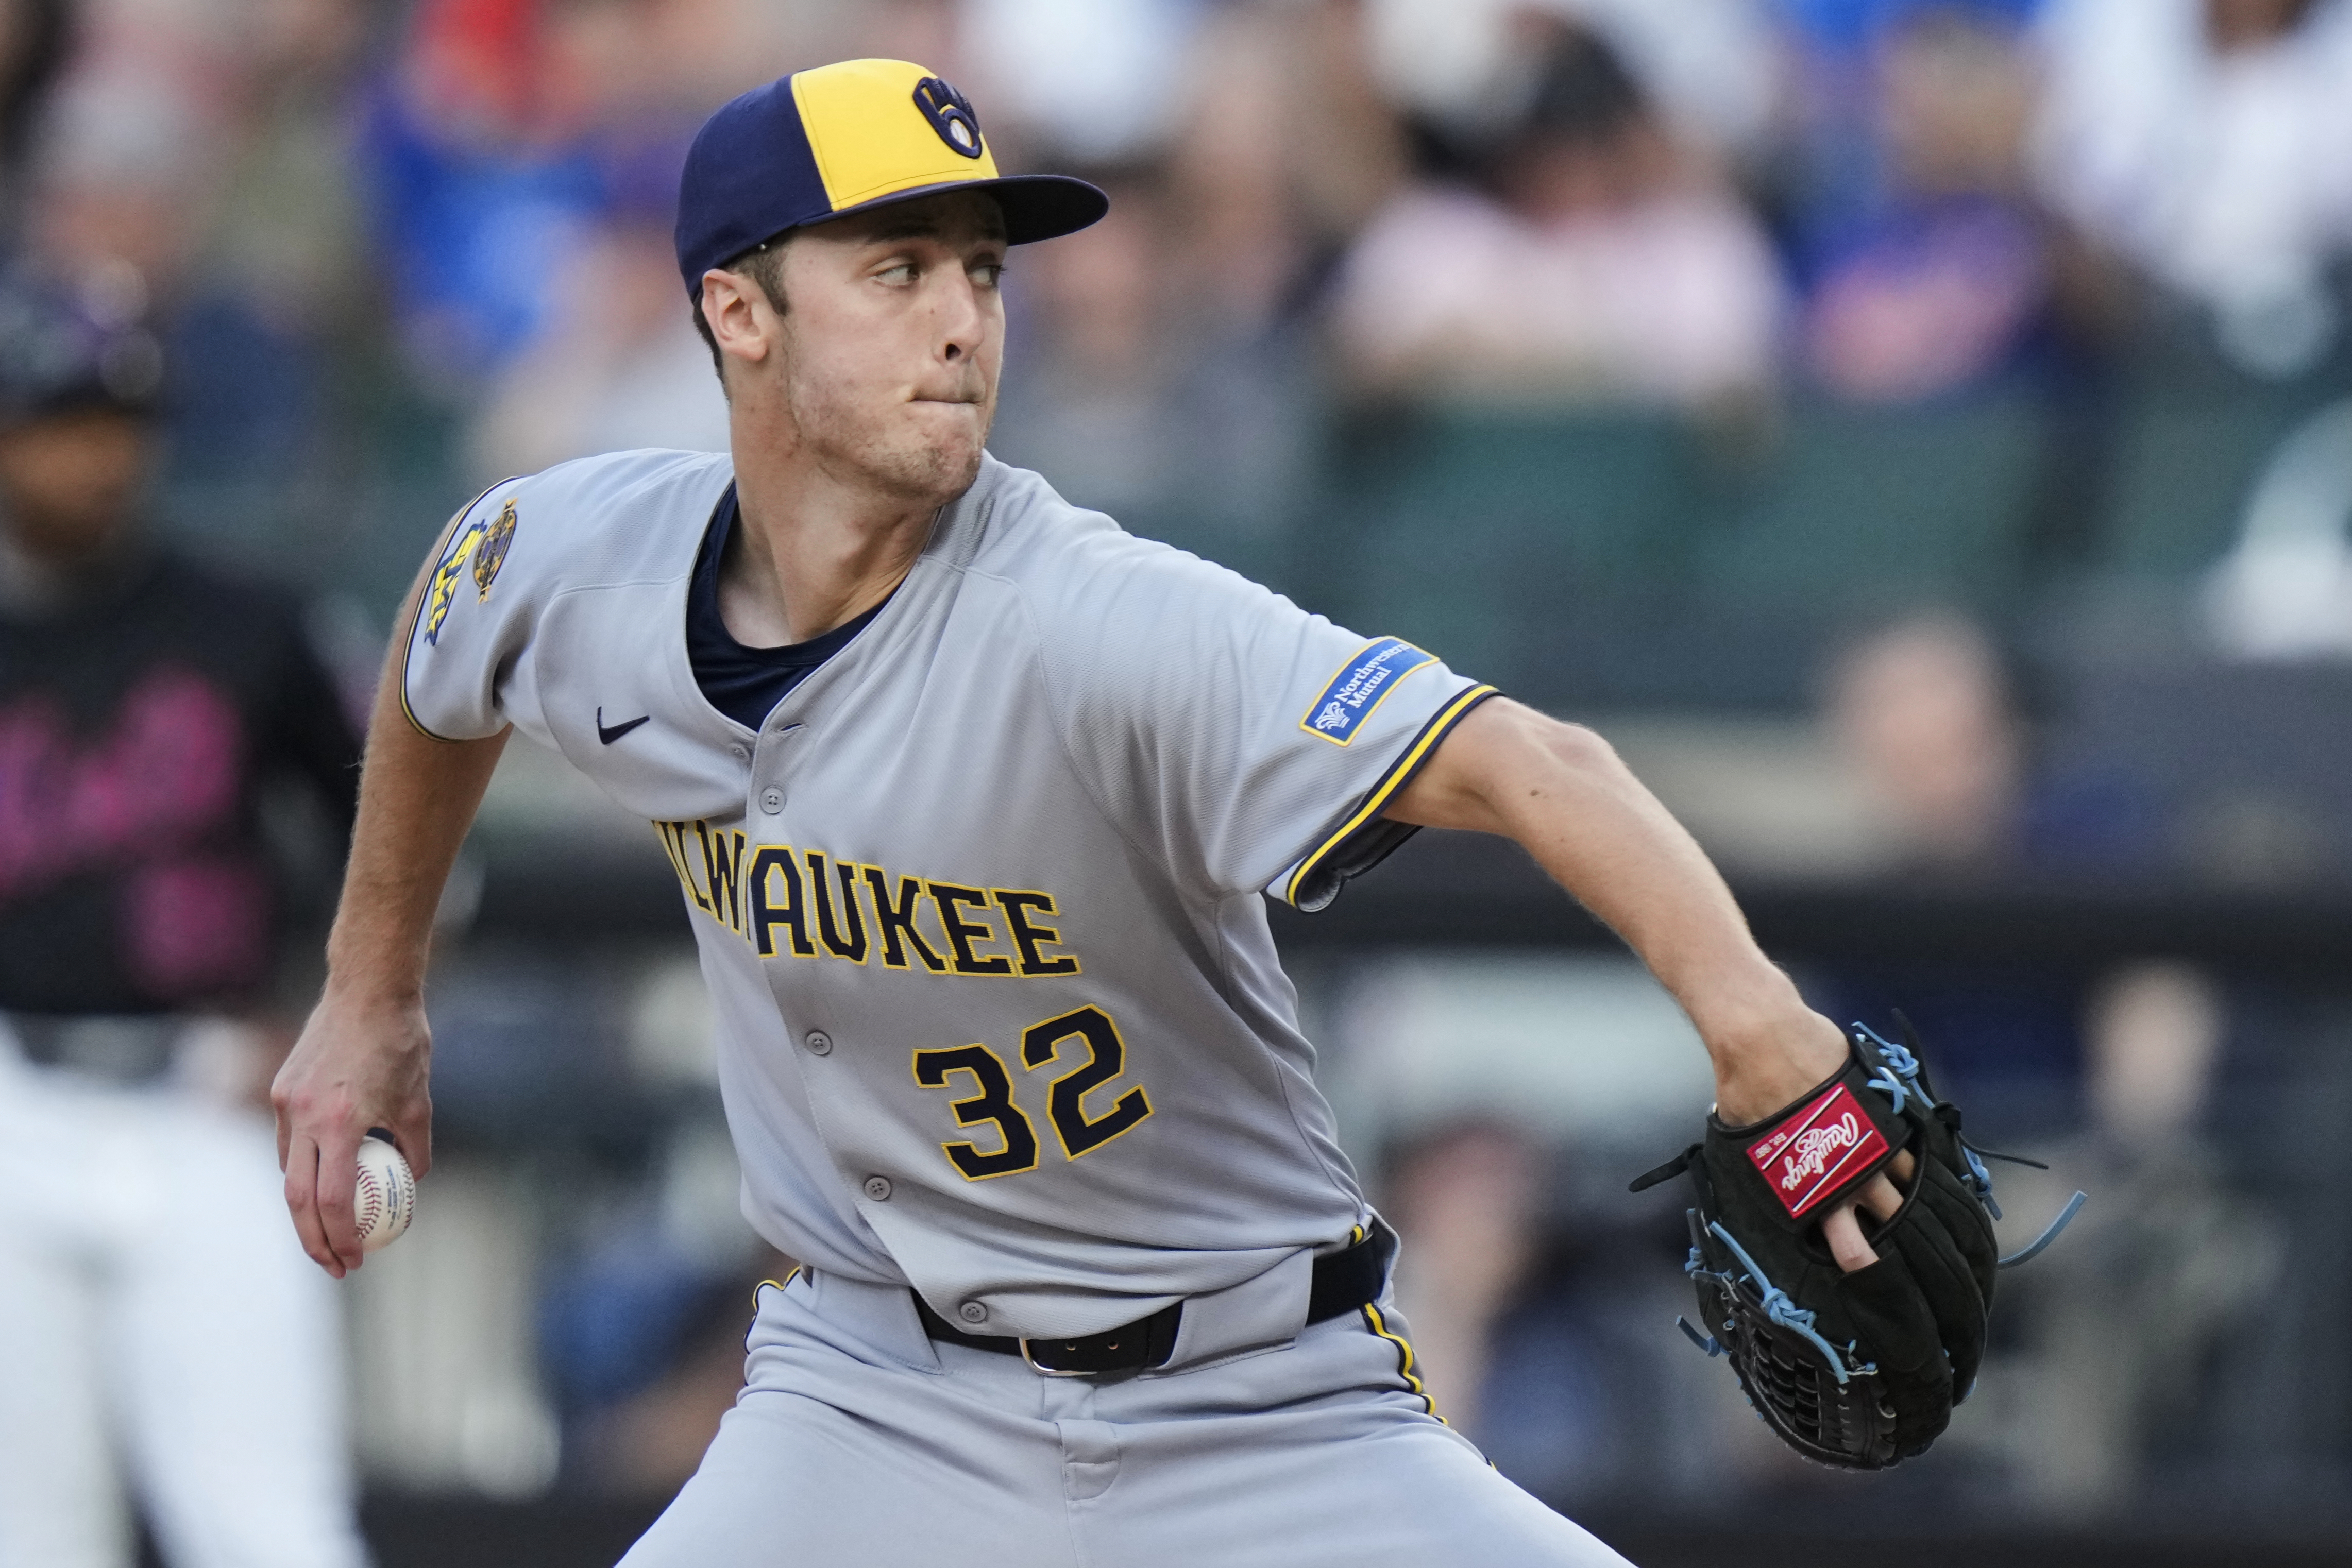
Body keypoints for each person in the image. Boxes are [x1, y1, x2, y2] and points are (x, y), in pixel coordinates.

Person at [274, 59, 1892, 1564]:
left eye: (981, 269)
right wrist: (370, 990)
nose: (964, 320)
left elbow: (1533, 762)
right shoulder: (588, 557)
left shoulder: (1102, 622)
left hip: (1256, 1407)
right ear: (734, 310)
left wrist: (1763, 1040)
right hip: (866, 1393)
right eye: (895, 270)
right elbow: (441, 642)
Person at [0, 266, 370, 1568]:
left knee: (271, 1531)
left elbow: (402, 840)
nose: (96, 457)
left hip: (207, 1101)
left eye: (118, 424)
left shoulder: (248, 625)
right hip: (12, 1103)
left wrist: (333, 1019)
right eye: (57, 422)